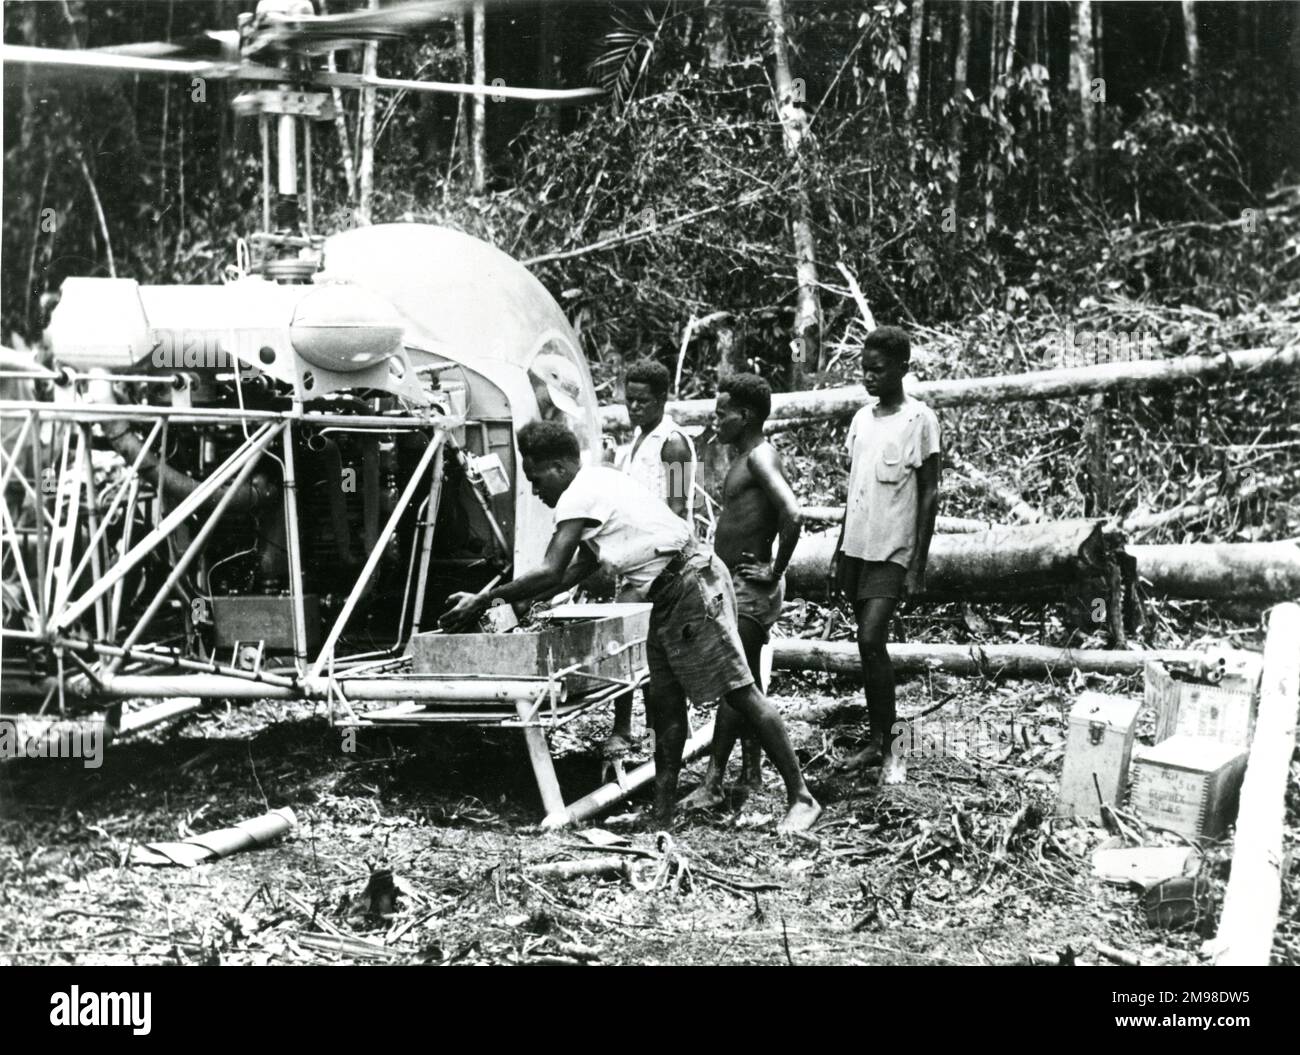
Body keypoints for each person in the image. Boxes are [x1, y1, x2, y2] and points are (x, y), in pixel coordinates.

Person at [439, 421, 821, 832]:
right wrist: (528, 597)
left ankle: (802, 798)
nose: (535, 491)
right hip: (668, 590)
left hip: (690, 583)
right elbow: (582, 564)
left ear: (559, 466)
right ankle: (662, 812)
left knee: (740, 692)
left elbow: (551, 569)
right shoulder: (599, 479)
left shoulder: (585, 491)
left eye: (535, 479)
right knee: (664, 700)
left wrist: (486, 598)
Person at [680, 373, 799, 810]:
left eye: (721, 412)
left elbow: (793, 513)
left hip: (751, 587)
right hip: (735, 584)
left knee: (736, 684)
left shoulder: (760, 459)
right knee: (744, 679)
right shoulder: (744, 456)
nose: (715, 420)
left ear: (745, 415)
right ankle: (750, 770)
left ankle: (714, 781)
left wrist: (774, 568)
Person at [830, 327, 941, 785]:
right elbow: (853, 491)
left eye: (878, 369)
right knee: (864, 644)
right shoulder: (860, 421)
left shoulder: (920, 420)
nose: (869, 377)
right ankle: (878, 740)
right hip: (858, 547)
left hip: (893, 549)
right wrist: (839, 550)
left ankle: (895, 747)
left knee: (872, 638)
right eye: (864, 369)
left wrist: (918, 563)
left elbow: (931, 492)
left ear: (902, 368)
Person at [604, 358, 697, 757]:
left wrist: (649, 550)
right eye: (630, 401)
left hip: (662, 561)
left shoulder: (673, 444)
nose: (635, 409)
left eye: (643, 401)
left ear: (662, 399)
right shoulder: (633, 446)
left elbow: (677, 507)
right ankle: (626, 726)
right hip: (633, 560)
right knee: (626, 642)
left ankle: (657, 731)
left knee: (649, 644)